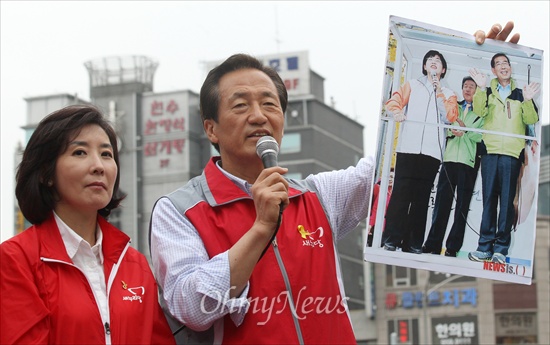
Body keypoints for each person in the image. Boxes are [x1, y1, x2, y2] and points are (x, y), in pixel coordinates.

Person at [149, 24, 521, 344]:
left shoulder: (317, 197)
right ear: (210, 127)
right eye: (241, 105)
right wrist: (261, 228)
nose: (259, 115)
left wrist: (482, 59)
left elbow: (380, 166)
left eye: (270, 104)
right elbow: (191, 307)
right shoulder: (180, 210)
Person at [0, 105, 175, 345]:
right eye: (80, 152)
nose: (99, 166)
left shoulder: (135, 264)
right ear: (46, 173)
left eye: (106, 154)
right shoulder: (16, 259)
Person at [380, 49, 458, 253]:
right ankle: (391, 239)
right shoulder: (412, 85)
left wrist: (439, 90)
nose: (434, 62)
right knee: (400, 195)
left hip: (432, 153)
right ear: (424, 66)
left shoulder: (449, 94)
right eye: (430, 60)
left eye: (438, 60)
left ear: (443, 69)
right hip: (408, 148)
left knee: (422, 199)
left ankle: (413, 243)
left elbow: (449, 116)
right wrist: (397, 112)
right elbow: (393, 101)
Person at [468, 53, 540, 264]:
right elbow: (479, 111)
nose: (503, 66)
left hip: (512, 154)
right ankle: (484, 249)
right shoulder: (488, 91)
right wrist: (480, 88)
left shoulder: (520, 93)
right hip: (490, 152)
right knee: (489, 201)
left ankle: (500, 250)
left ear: (510, 67)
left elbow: (531, 119)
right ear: (493, 71)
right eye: (498, 64)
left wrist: (528, 100)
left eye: (505, 63)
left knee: (507, 204)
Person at [422, 76, 484, 257]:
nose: (468, 89)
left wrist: (465, 131)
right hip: (449, 160)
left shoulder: (481, 112)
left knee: (461, 208)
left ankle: (452, 248)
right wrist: (453, 130)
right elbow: (445, 126)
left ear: (477, 90)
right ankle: (432, 244)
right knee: (441, 204)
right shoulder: (454, 106)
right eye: (465, 85)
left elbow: (481, 137)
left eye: (472, 86)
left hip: (468, 163)